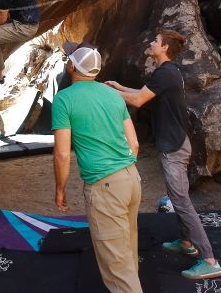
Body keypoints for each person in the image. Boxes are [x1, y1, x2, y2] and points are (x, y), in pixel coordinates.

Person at [105, 29, 221, 280]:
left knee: (181, 201)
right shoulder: (166, 73)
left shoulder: (166, 73)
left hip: (174, 146)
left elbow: (137, 101)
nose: (151, 42)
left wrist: (104, 92)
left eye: (155, 41)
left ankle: (210, 260)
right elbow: (143, 94)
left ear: (165, 48)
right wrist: (118, 86)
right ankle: (186, 242)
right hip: (175, 143)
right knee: (176, 195)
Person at [52, 47, 142, 293]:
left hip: (105, 184)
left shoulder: (64, 99)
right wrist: (123, 168)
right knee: (127, 249)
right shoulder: (113, 95)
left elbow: (62, 153)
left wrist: (60, 188)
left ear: (72, 67)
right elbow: (133, 144)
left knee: (117, 268)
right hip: (131, 177)